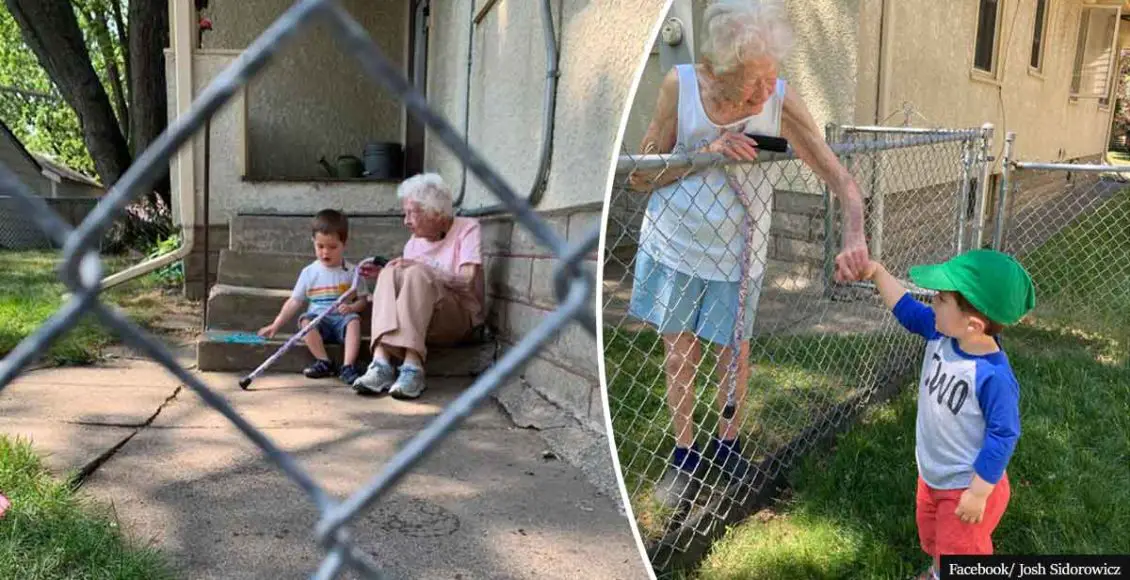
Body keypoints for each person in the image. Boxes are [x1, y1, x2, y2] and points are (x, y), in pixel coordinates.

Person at [626, 0, 870, 508]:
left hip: (740, 254)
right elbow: (641, 176)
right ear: (715, 70)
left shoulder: (778, 95)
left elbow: (838, 176)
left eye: (771, 77)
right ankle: (684, 453)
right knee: (681, 352)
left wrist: (855, 232)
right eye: (752, 82)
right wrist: (704, 155)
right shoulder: (681, 86)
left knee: (734, 350)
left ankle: (728, 444)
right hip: (677, 243)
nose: (765, 95)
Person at [863, 249, 1034, 580]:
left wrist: (979, 492)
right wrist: (877, 273)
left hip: (965, 486)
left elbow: (1004, 435)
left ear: (971, 324)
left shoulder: (992, 376)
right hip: (933, 473)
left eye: (941, 299)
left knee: (962, 553)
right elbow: (907, 310)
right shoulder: (942, 333)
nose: (932, 303)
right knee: (939, 540)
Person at [352, 173, 484, 400]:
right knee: (390, 271)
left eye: (411, 213)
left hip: (458, 318)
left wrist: (424, 267)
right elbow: (409, 295)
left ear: (436, 211)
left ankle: (413, 367)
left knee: (416, 273)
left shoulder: (467, 228)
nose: (405, 221)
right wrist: (387, 278)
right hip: (420, 322)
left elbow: (467, 280)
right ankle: (381, 363)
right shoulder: (413, 243)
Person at [258, 209, 368, 385]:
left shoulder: (353, 272)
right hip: (319, 321)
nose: (326, 252)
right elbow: (295, 301)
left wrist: (352, 308)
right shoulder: (309, 273)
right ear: (313, 243)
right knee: (305, 322)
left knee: (354, 321)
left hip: (342, 320)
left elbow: (363, 299)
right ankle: (324, 362)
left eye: (332, 247)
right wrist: (276, 324)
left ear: (344, 243)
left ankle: (348, 366)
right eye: (320, 246)